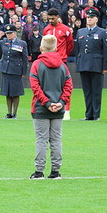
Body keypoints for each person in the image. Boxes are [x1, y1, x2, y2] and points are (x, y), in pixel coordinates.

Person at [28, 34, 72, 179]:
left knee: (41, 140)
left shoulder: (36, 65)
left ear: (41, 48)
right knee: (56, 140)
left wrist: (46, 103)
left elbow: (35, 87)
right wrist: (61, 103)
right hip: (58, 108)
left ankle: (39, 171)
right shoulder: (63, 66)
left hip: (41, 108)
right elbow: (68, 86)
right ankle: (55, 171)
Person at [75, 8, 107, 121]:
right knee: (87, 91)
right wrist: (78, 63)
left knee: (96, 91)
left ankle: (96, 115)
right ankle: (88, 114)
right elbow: (78, 50)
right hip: (83, 63)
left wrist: (105, 66)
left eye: (91, 17)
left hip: (96, 64)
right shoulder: (81, 32)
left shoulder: (102, 32)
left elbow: (106, 50)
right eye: (88, 17)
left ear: (96, 19)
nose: (89, 19)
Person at [43, 8, 74, 119]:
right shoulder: (46, 29)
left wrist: (64, 54)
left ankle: (66, 110)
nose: (51, 20)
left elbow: (70, 45)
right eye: (49, 18)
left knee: (64, 85)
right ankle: (50, 107)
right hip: (48, 60)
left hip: (61, 61)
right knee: (48, 85)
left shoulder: (65, 29)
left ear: (58, 17)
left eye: (52, 18)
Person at [0, 24, 29, 118]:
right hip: (6, 70)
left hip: (16, 70)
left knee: (15, 93)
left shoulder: (21, 43)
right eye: (7, 33)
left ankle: (14, 113)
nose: (8, 35)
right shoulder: (4, 42)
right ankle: (9, 112)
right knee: (7, 92)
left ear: (15, 33)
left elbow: (25, 59)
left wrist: (24, 72)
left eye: (10, 33)